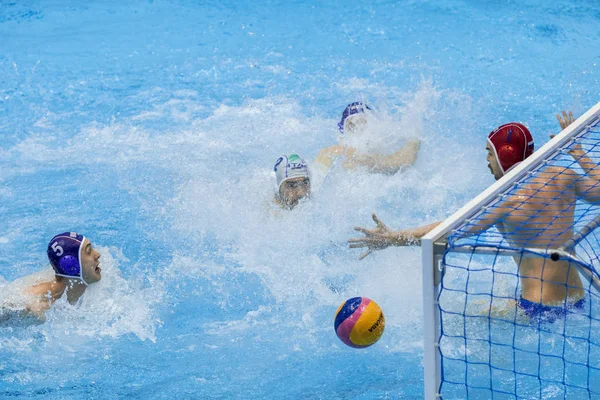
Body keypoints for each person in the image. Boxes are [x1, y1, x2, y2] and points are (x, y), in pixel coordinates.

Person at [349, 111, 599, 319]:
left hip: (538, 311)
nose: (487, 161)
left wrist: (393, 237)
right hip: (577, 301)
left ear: (506, 156)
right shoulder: (564, 176)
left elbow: (446, 229)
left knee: (467, 319)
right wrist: (578, 152)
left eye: (490, 153)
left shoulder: (504, 202)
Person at [1, 232, 102, 321]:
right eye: (89, 251)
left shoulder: (97, 271)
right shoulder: (38, 306)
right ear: (70, 266)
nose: (98, 254)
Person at [314, 102, 421, 175]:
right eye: (354, 126)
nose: (359, 130)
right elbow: (404, 161)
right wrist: (415, 137)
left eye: (363, 125)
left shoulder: (325, 152)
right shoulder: (360, 155)